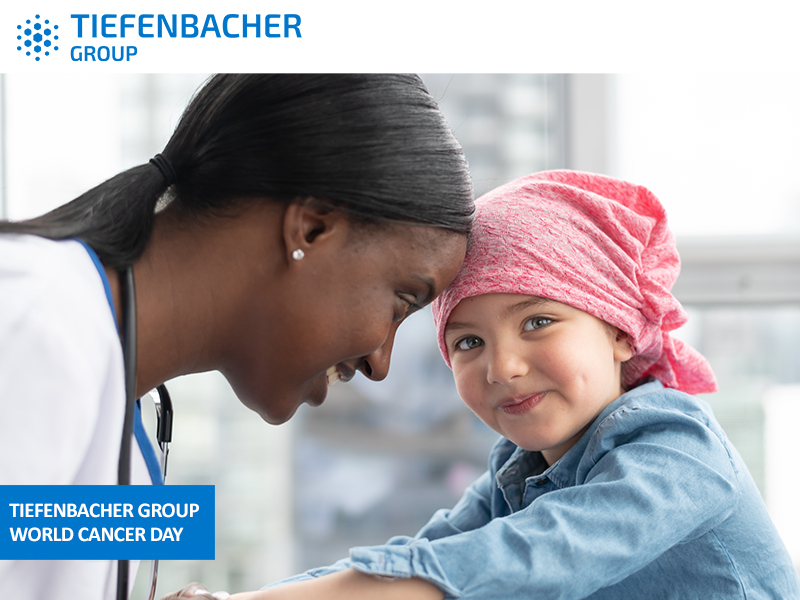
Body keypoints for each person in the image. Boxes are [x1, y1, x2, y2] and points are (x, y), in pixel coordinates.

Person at [205, 170, 800, 599]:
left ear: (621, 329)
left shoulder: (679, 450)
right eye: (468, 342)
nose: (503, 367)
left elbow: (534, 557)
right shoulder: (517, 471)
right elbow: (430, 555)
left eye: (538, 322)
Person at [0, 74, 473, 600]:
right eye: (401, 300)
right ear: (311, 229)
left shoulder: (109, 387)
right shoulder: (34, 321)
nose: (379, 364)